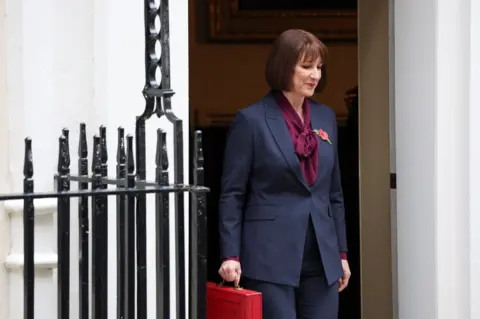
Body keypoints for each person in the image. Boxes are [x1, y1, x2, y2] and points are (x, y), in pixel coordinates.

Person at [217, 29, 351, 318]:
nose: (314, 74)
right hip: (269, 257)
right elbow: (233, 194)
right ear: (283, 67)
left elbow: (334, 193)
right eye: (306, 66)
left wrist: (341, 253)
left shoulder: (326, 116)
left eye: (318, 67)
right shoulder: (251, 120)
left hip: (322, 257)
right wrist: (230, 254)